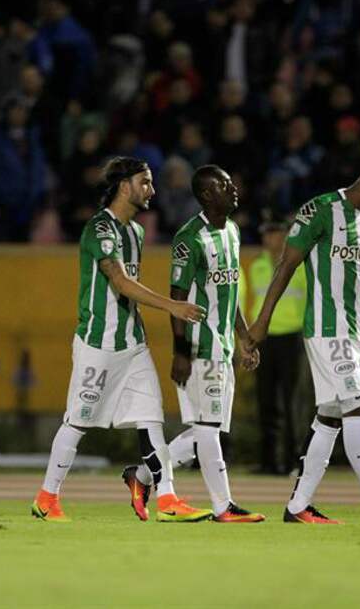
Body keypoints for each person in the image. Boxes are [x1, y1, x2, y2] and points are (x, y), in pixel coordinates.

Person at [248, 156, 360, 524]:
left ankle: (298, 506)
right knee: (357, 407)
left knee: (329, 416)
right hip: (327, 329)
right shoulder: (322, 209)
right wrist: (261, 323)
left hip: (356, 331)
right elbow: (286, 265)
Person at [32, 156, 209, 523]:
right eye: (145, 182)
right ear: (125, 186)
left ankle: (168, 499)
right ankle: (47, 497)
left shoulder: (136, 233)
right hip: (98, 344)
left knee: (151, 419)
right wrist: (172, 306)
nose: (152, 190)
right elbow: (120, 281)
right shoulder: (100, 228)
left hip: (133, 343)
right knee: (77, 421)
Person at [123, 165, 265, 523]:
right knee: (208, 430)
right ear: (206, 195)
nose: (233, 189)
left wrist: (244, 337)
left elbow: (230, 293)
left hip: (224, 346)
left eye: (231, 183)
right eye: (224, 185)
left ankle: (142, 476)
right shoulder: (190, 238)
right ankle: (224, 506)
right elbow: (177, 298)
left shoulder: (232, 231)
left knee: (208, 430)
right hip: (200, 346)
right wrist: (181, 352)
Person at [249, 220, 307, 475]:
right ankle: (269, 461)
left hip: (292, 337)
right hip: (265, 340)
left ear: (285, 235)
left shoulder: (300, 267)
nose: (269, 239)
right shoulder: (257, 266)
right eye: (267, 234)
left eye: (274, 233)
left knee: (292, 402)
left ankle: (294, 461)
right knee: (266, 401)